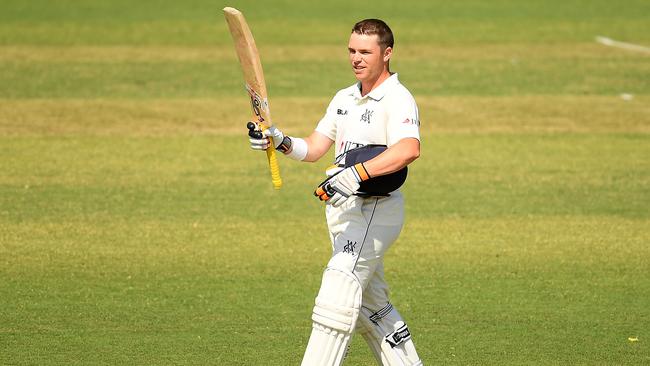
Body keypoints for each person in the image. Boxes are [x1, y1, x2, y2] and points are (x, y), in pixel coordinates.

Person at [248, 18, 422, 366]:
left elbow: (408, 150)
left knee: (338, 290)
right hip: (341, 212)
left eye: (365, 52)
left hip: (376, 208)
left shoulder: (397, 98)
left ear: (386, 54)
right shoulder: (344, 97)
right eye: (352, 51)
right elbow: (313, 148)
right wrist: (280, 141)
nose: (357, 58)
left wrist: (356, 174)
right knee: (371, 304)